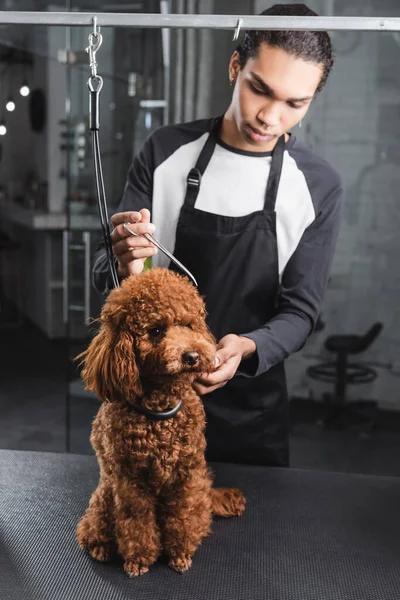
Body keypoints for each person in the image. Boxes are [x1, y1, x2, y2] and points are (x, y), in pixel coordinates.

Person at [92, 4, 344, 468]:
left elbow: (301, 311)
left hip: (252, 414)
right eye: (259, 89)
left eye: (295, 103)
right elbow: (108, 273)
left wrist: (247, 347)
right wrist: (127, 264)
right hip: (153, 403)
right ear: (235, 67)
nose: (270, 116)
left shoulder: (317, 185)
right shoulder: (166, 151)